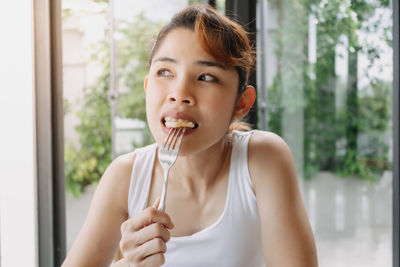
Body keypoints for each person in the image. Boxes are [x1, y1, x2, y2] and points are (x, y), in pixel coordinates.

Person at [62, 4, 318, 267]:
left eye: (206, 77)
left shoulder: (263, 159)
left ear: (242, 102)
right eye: (165, 72)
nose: (179, 92)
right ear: (148, 87)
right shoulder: (125, 177)